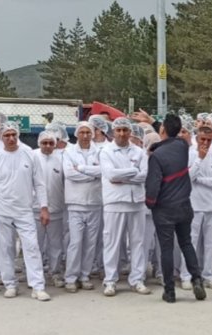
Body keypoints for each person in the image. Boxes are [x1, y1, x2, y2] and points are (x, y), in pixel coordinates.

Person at [0, 122, 51, 302]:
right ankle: (10, 284)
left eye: (14, 134)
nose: (11, 138)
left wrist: (44, 207)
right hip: (2, 209)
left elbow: (39, 183)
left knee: (31, 246)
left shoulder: (29, 153)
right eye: (7, 135)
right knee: (5, 248)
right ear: (1, 137)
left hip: (24, 210)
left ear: (18, 134)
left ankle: (38, 286)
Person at [145, 114, 207, 304]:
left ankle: (170, 291)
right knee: (186, 243)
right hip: (184, 205)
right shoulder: (182, 147)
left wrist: (150, 202)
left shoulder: (156, 157)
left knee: (166, 249)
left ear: (162, 130)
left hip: (164, 208)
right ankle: (197, 279)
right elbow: (173, 136)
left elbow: (153, 185)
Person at [99, 117, 150, 297]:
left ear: (130, 132)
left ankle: (137, 279)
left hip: (136, 202)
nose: (122, 134)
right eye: (118, 130)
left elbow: (144, 175)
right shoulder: (106, 151)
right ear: (113, 132)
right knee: (112, 243)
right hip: (114, 202)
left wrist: (124, 177)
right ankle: (110, 280)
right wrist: (133, 171)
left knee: (138, 243)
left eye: (125, 130)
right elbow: (111, 175)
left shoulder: (139, 151)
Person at [63, 122, 103, 292]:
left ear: (93, 134)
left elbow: (103, 171)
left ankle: (85, 275)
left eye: (88, 132)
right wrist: (91, 175)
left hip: (94, 202)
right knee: (76, 241)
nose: (85, 135)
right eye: (82, 132)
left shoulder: (100, 151)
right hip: (75, 203)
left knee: (91, 242)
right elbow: (69, 173)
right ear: (77, 134)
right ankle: (71, 277)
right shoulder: (69, 151)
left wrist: (81, 169)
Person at [181, 131, 212, 290]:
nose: (205, 142)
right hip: (194, 205)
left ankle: (208, 275)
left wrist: (201, 180)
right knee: (190, 242)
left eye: (208, 140)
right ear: (197, 139)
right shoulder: (190, 155)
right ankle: (187, 275)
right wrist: (199, 159)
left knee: (210, 243)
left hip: (211, 206)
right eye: (203, 139)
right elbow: (188, 177)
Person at [35, 130, 68, 288]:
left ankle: (54, 272)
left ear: (56, 144)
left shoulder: (61, 159)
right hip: (34, 208)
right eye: (44, 143)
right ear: (39, 143)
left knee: (55, 243)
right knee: (35, 243)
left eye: (51, 143)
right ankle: (36, 274)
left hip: (56, 208)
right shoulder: (32, 157)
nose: (47, 146)